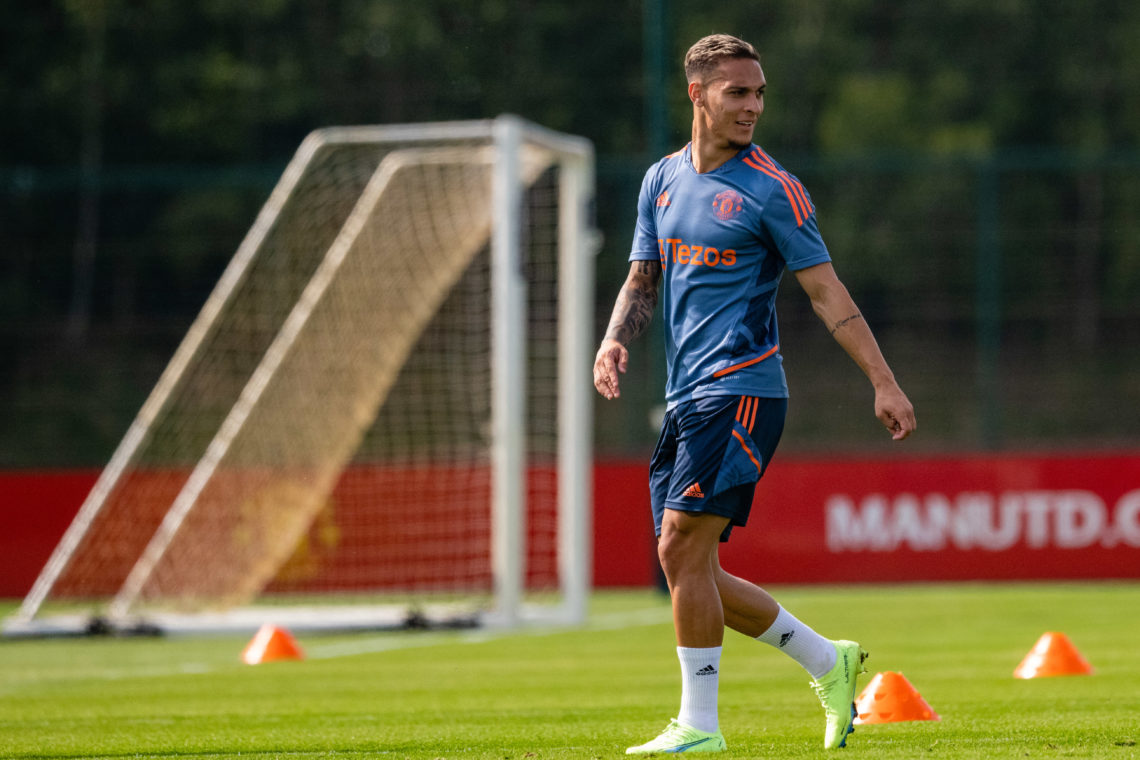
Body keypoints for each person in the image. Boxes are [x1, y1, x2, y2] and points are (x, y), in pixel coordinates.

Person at [593, 33, 916, 753]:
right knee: (691, 566)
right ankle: (829, 661)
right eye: (738, 93)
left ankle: (699, 728)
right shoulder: (660, 181)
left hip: (742, 392)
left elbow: (828, 293)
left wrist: (883, 381)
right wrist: (615, 338)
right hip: (686, 395)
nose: (753, 107)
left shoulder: (773, 189)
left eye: (759, 93)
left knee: (679, 549)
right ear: (697, 95)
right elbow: (643, 278)